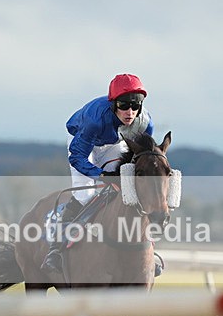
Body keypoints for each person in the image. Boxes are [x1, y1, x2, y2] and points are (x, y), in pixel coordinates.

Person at [41, 73, 153, 274]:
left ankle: (146, 250)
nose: (130, 112)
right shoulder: (94, 120)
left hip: (113, 144)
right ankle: (55, 250)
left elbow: (141, 157)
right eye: (123, 105)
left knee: (124, 192)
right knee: (85, 195)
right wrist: (100, 175)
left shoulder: (145, 124)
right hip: (83, 143)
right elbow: (77, 157)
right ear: (113, 104)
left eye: (135, 106)